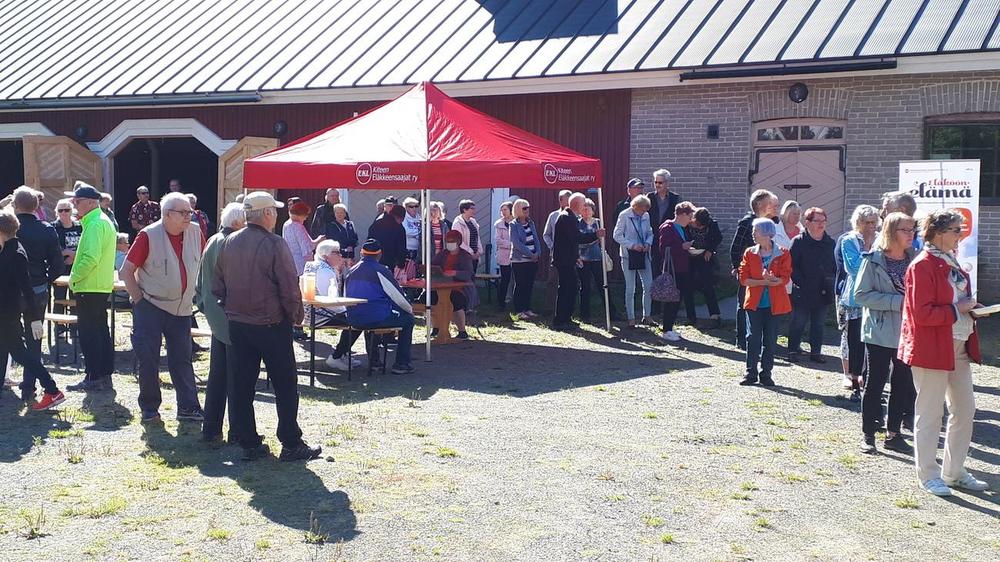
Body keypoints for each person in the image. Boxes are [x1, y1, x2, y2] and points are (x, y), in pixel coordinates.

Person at [214, 191, 322, 462]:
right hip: (271, 324)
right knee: (285, 384)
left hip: (239, 323)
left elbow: (218, 284)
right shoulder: (274, 243)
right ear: (266, 214)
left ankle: (248, 442)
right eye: (273, 210)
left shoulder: (229, 242)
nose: (276, 215)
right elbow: (288, 285)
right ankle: (290, 442)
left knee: (242, 384)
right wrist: (296, 315)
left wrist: (230, 309)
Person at [899, 208, 987, 497]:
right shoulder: (922, 265)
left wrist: (971, 309)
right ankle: (928, 475)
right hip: (931, 347)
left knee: (965, 409)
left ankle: (954, 472)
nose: (961, 234)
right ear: (938, 233)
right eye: (956, 229)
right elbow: (921, 313)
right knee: (930, 413)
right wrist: (956, 308)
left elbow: (956, 301)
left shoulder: (951, 262)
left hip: (958, 345)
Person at [120, 192, 205, 422]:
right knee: (149, 359)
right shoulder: (148, 235)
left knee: (182, 359)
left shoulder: (195, 232)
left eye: (190, 212)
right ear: (167, 215)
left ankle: (188, 408)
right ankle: (149, 409)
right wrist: (139, 301)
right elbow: (126, 271)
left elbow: (204, 264)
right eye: (183, 212)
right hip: (150, 306)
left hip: (182, 308)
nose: (188, 216)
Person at [855, 212, 917, 455]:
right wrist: (896, 302)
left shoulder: (915, 259)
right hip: (879, 332)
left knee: (902, 384)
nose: (911, 234)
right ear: (891, 232)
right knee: (875, 383)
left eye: (913, 229)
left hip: (907, 332)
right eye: (905, 230)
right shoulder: (873, 260)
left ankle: (893, 435)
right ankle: (868, 435)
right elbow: (860, 295)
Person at [0, 212, 65, 410]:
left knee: (21, 354)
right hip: (6, 311)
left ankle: (52, 390)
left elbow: (27, 288)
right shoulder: (8, 249)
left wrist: (36, 319)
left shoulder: (16, 253)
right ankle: (52, 390)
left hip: (8, 313)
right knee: (7, 352)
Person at [197, 202, 245, 443]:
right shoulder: (231, 243)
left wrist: (205, 307)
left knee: (217, 376)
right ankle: (237, 432)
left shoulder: (213, 240)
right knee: (236, 377)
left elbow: (200, 282)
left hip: (216, 315)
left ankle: (211, 428)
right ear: (237, 222)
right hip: (230, 317)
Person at [65, 182, 117, 392]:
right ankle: (103, 374)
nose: (74, 204)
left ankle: (93, 376)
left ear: (89, 203)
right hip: (99, 285)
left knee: (89, 333)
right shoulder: (101, 221)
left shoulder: (95, 224)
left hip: (89, 285)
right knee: (100, 330)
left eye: (77, 201)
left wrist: (73, 278)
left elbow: (90, 258)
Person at [9, 188, 63, 385]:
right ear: (37, 206)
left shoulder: (7, 229)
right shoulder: (47, 229)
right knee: (34, 338)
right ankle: (29, 384)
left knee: (7, 336)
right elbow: (58, 265)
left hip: (11, 291)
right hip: (38, 289)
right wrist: (46, 280)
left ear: (15, 205)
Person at [344, 239, 416, 374]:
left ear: (361, 253)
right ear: (379, 254)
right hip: (376, 317)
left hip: (353, 318)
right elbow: (398, 296)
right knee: (408, 320)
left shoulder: (350, 271)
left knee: (369, 319)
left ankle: (374, 361)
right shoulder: (381, 270)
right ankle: (402, 364)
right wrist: (409, 310)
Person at [738, 218, 791, 387]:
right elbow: (743, 279)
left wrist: (774, 280)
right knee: (752, 338)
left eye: (756, 231)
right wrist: (764, 281)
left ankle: (766, 374)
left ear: (767, 233)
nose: (753, 234)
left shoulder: (783, 253)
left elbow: (785, 278)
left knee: (770, 340)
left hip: (774, 304)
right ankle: (750, 373)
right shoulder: (749, 253)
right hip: (754, 303)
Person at [303, 240, 366, 371]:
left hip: (313, 312)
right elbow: (329, 300)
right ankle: (337, 356)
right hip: (320, 314)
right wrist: (346, 309)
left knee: (355, 317)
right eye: (336, 252)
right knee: (358, 320)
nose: (340, 255)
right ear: (326, 255)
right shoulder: (324, 270)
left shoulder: (316, 266)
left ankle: (343, 353)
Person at [838, 204, 880, 399]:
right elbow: (854, 268)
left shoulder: (881, 239)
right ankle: (855, 382)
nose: (871, 226)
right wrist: (869, 252)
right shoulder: (849, 240)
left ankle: (870, 384)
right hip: (856, 298)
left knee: (874, 344)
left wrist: (869, 257)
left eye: (873, 222)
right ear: (859, 222)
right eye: (866, 222)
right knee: (855, 342)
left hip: (877, 296)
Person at [730, 189, 778, 350]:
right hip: (749, 271)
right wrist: (737, 267)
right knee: (745, 303)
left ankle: (761, 337)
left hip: (767, 271)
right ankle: (742, 339)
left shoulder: (770, 223)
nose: (772, 206)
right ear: (759, 204)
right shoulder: (747, 222)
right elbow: (736, 247)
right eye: (769, 203)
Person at [787, 207, 836, 363]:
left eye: (823, 221)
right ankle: (793, 350)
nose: (821, 224)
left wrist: (830, 281)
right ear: (807, 223)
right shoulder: (798, 242)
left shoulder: (830, 243)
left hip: (823, 290)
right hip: (803, 290)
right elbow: (791, 266)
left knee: (818, 324)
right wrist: (801, 283)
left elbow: (835, 266)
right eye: (817, 221)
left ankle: (816, 353)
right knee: (798, 322)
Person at [552, 193, 604, 330]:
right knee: (566, 289)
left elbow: (572, 241)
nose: (584, 206)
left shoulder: (569, 216)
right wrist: (595, 235)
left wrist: (576, 256)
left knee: (571, 288)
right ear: (577, 205)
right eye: (583, 204)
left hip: (568, 259)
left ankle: (566, 318)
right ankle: (560, 320)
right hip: (564, 261)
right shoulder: (567, 217)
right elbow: (577, 238)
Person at [657, 201, 696, 341]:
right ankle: (666, 330)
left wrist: (688, 248)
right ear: (682, 214)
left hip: (682, 268)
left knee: (677, 299)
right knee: (671, 299)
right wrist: (682, 247)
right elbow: (664, 249)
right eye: (690, 216)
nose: (690, 220)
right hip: (672, 269)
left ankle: (670, 327)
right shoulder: (667, 227)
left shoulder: (682, 228)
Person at [614, 194, 653, 328]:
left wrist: (648, 243)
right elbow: (617, 235)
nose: (644, 212)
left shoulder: (646, 215)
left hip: (643, 254)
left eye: (646, 210)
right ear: (635, 207)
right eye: (642, 209)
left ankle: (647, 316)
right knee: (631, 288)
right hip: (629, 255)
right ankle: (631, 318)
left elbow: (650, 232)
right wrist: (632, 245)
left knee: (649, 285)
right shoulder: (624, 215)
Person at [428, 230, 477, 339]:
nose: (449, 244)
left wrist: (455, 273)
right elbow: (432, 266)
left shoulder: (465, 256)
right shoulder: (442, 254)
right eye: (448, 241)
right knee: (431, 299)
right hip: (441, 287)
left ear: (458, 242)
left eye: (452, 241)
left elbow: (469, 274)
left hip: (460, 289)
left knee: (455, 301)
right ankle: (436, 328)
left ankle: (462, 331)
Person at [577, 198, 616, 322]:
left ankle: (612, 313)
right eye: (584, 209)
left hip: (597, 258)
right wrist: (594, 238)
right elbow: (579, 241)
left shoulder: (598, 222)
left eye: (588, 209)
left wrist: (596, 239)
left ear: (593, 210)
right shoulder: (578, 223)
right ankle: (585, 315)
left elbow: (602, 240)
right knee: (585, 287)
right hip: (583, 259)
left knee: (603, 285)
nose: (586, 211)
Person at [686, 207, 722, 328]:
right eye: (698, 225)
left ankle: (715, 315)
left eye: (702, 226)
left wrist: (710, 250)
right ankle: (691, 317)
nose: (700, 227)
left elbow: (718, 238)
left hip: (704, 256)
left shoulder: (712, 224)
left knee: (708, 285)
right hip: (690, 256)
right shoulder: (688, 223)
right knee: (688, 286)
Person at [647, 169, 680, 298]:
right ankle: (654, 300)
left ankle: (668, 298)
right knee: (654, 269)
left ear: (667, 183)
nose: (657, 185)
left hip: (668, 240)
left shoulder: (675, 199)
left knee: (668, 269)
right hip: (653, 239)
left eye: (660, 182)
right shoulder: (649, 197)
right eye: (655, 182)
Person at [509, 199, 541, 319]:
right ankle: (519, 310)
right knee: (520, 284)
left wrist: (537, 253)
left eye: (528, 207)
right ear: (518, 210)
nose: (527, 210)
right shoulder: (513, 225)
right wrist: (530, 254)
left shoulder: (530, 223)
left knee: (529, 285)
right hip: (519, 260)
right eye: (524, 208)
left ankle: (527, 308)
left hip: (532, 260)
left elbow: (536, 239)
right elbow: (516, 243)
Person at [543, 190, 572, 311]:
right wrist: (552, 247)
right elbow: (546, 234)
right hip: (555, 254)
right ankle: (550, 308)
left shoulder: (575, 216)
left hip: (570, 255)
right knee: (552, 280)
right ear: (560, 200)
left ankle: (567, 308)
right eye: (567, 199)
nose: (569, 202)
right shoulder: (553, 215)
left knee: (569, 282)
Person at [282, 201, 324, 276]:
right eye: (305, 215)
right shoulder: (298, 227)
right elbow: (307, 248)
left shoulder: (286, 224)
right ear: (300, 214)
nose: (305, 218)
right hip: (301, 266)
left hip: (289, 263)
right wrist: (319, 240)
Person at [369, 204, 407, 271]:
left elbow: (369, 241)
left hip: (375, 261)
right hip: (390, 264)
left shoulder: (376, 224)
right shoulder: (399, 228)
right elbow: (401, 249)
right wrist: (401, 264)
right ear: (400, 217)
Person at [451, 199, 483, 272]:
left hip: (474, 256)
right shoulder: (457, 223)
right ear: (464, 210)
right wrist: (470, 252)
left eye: (474, 208)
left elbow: (477, 237)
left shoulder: (473, 222)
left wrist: (479, 251)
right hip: (463, 256)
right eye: (472, 208)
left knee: (472, 275)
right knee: (465, 276)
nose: (474, 210)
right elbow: (458, 241)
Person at [493, 201, 514, 308]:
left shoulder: (516, 223)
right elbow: (498, 240)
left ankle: (514, 300)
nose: (503, 212)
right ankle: (501, 302)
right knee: (505, 279)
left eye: (505, 209)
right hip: (504, 255)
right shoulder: (499, 224)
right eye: (502, 210)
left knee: (515, 279)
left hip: (516, 255)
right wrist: (511, 245)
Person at [402, 196, 422, 262]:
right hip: (407, 249)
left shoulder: (419, 217)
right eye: (411, 206)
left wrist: (415, 233)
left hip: (418, 249)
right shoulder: (404, 217)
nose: (414, 208)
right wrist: (419, 233)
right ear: (406, 207)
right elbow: (406, 231)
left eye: (416, 206)